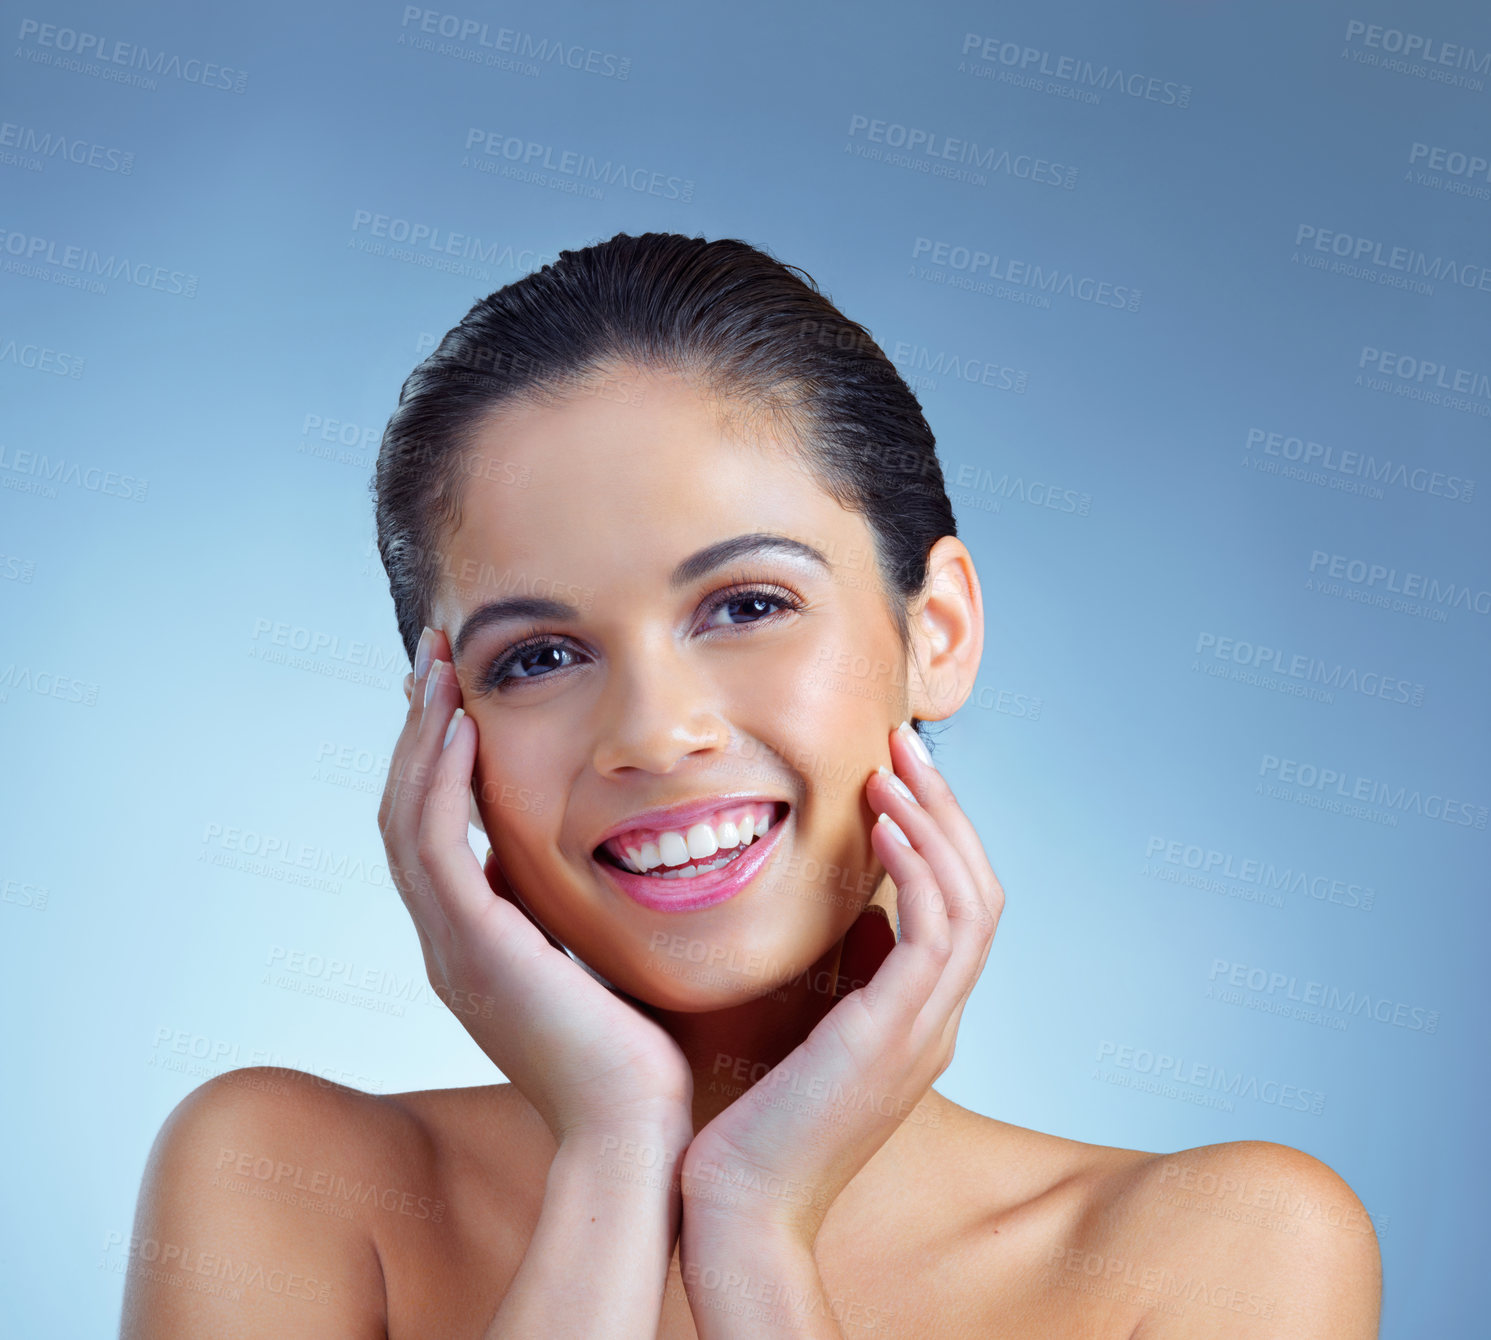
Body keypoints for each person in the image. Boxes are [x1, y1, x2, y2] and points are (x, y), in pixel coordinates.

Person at [122, 232, 1382, 1337]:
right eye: (540, 655)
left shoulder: (1226, 1249)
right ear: (441, 727)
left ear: (933, 630)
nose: (656, 734)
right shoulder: (287, 1183)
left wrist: (754, 1221)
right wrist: (616, 1156)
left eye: (747, 603)